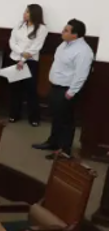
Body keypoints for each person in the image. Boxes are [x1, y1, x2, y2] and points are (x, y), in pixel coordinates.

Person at [34, 19, 93, 160]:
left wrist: (71, 92)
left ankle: (64, 150)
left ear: (75, 35)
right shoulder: (64, 45)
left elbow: (81, 75)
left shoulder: (83, 51)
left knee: (66, 121)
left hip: (67, 90)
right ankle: (53, 142)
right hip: (56, 86)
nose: (62, 32)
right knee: (56, 117)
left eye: (66, 30)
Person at [7, 4, 47, 126]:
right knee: (15, 89)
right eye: (25, 11)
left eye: (27, 12)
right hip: (15, 58)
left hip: (30, 62)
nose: (24, 14)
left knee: (31, 90)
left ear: (35, 14)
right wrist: (21, 53)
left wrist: (23, 59)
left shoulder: (42, 28)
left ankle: (34, 117)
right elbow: (12, 42)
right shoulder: (19, 25)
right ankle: (14, 114)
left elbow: (36, 47)